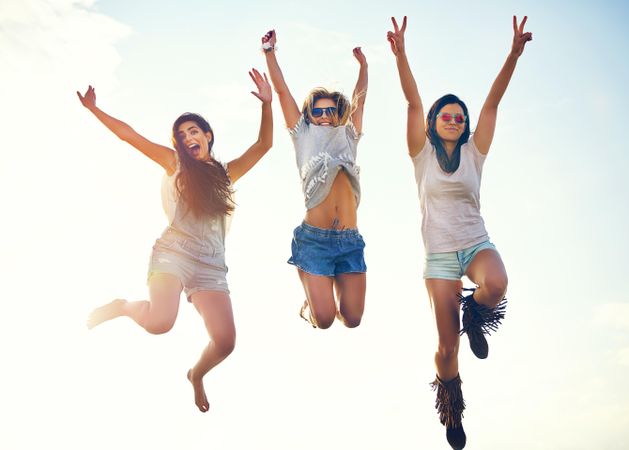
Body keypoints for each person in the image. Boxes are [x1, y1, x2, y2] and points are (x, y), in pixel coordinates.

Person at [77, 68, 273, 413]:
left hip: (211, 266)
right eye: (181, 136)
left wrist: (267, 105)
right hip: (172, 254)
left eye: (193, 131)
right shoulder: (174, 165)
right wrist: (95, 109)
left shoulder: (226, 174)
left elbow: (264, 145)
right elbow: (131, 137)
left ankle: (196, 375)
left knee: (226, 343)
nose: (187, 138)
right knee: (160, 324)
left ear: (208, 135)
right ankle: (123, 306)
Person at [387, 15, 532, 449]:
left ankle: (475, 314)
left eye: (458, 115)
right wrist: (401, 56)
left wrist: (512, 55)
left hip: (475, 244)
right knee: (447, 350)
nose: (453, 119)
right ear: (434, 122)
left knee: (498, 283)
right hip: (439, 259)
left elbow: (491, 105)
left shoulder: (474, 152)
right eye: (445, 115)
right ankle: (453, 406)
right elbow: (413, 103)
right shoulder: (422, 155)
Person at [260, 29, 368, 329]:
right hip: (315, 240)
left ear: (337, 112)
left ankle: (322, 287)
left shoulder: (348, 135)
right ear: (308, 113)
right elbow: (282, 92)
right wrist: (269, 52)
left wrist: (364, 67)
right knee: (324, 320)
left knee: (352, 319)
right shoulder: (302, 134)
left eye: (329, 110)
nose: (322, 114)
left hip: (349, 240)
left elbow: (360, 99)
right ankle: (311, 299)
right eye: (316, 110)